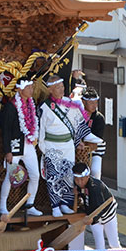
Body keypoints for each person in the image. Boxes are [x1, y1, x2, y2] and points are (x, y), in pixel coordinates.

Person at [38, 74, 103, 217]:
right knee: (54, 176)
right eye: (57, 88)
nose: (61, 90)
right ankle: (55, 206)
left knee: (68, 175)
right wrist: (44, 148)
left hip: (67, 144)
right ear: (50, 90)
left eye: (62, 87)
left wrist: (81, 139)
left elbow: (78, 123)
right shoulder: (45, 107)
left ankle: (65, 203)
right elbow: (41, 130)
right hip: (52, 145)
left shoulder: (70, 103)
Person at [72, 162, 125, 251]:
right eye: (76, 179)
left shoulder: (95, 187)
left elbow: (100, 208)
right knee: (100, 246)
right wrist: (77, 195)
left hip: (108, 214)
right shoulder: (77, 185)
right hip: (93, 218)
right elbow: (83, 200)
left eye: (81, 179)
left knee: (113, 243)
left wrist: (91, 218)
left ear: (87, 177)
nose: (79, 182)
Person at [0, 77, 42, 216]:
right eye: (29, 87)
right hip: (15, 145)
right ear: (20, 89)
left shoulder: (31, 103)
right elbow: (6, 130)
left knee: (35, 175)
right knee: (10, 177)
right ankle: (2, 205)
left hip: (28, 144)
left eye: (31, 87)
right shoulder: (11, 106)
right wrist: (8, 151)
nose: (32, 90)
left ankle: (30, 204)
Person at [81, 87, 106, 180]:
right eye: (91, 103)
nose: (94, 105)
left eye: (96, 102)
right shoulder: (78, 114)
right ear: (83, 102)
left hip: (95, 151)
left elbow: (97, 139)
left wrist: (82, 138)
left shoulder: (99, 118)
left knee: (95, 172)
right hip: (78, 150)